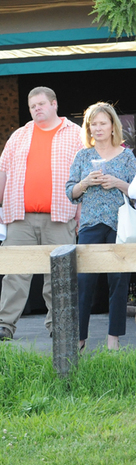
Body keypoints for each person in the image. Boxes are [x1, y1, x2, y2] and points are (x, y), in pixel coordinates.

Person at [0, 86, 83, 340]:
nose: (36, 109)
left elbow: (84, 176)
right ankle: (5, 325)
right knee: (15, 272)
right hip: (20, 217)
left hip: (61, 215)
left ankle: (59, 325)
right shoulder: (19, 135)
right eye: (32, 106)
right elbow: (3, 173)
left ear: (54, 104)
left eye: (41, 104)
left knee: (59, 273)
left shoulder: (76, 134)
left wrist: (82, 210)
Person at [66, 103, 136, 350]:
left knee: (118, 281)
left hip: (120, 225)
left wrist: (118, 182)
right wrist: (85, 182)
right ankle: (79, 339)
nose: (97, 128)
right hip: (89, 224)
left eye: (102, 123)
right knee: (84, 281)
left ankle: (113, 340)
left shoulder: (127, 156)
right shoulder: (83, 155)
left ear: (112, 125)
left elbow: (135, 192)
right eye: (93, 124)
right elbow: (70, 192)